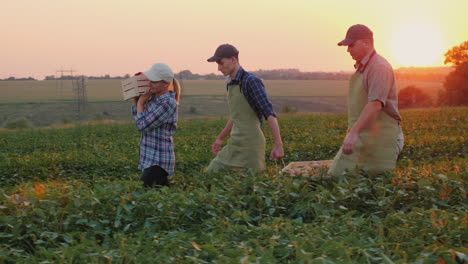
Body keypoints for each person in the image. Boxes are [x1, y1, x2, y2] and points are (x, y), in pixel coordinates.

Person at [328, 24, 404, 178]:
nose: (348, 49)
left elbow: (375, 104)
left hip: (383, 136)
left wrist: (354, 133)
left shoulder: (379, 67)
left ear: (366, 43)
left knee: (374, 185)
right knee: (339, 176)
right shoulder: (364, 67)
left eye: (351, 45)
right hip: (366, 134)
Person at [205, 44, 284, 173]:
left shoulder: (250, 81)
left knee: (250, 186)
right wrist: (220, 138)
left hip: (251, 145)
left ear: (233, 60)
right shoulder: (230, 83)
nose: (219, 68)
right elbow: (236, 116)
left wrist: (278, 145)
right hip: (235, 142)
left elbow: (269, 114)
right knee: (211, 172)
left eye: (221, 63)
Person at [131, 63, 181, 187]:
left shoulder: (167, 103)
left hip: (158, 160)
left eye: (154, 81)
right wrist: (136, 99)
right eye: (149, 80)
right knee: (158, 197)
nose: (150, 84)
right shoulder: (154, 99)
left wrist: (141, 103)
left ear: (165, 84)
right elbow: (137, 117)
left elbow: (142, 125)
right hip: (149, 158)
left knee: (140, 194)